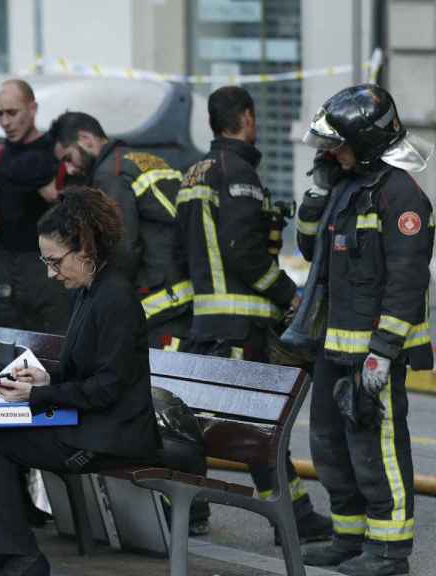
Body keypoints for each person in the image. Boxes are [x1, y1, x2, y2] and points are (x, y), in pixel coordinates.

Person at [0, 186, 160, 576]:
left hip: (110, 436)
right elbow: (91, 373)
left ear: (85, 248)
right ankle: (15, 550)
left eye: (55, 261)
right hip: (89, 423)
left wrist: (38, 393)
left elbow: (107, 388)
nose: (51, 273)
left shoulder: (115, 298)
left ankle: (20, 555)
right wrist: (44, 377)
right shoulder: (91, 291)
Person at [175, 86, 331, 544]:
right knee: (260, 429)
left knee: (220, 425)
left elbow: (180, 255)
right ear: (246, 117)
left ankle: (195, 508)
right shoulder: (237, 171)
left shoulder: (192, 175)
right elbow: (243, 251)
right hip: (241, 326)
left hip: (207, 323)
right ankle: (293, 520)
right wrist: (288, 295)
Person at [295, 84, 431, 576]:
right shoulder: (343, 186)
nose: (332, 152)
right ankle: (348, 537)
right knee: (330, 449)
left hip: (372, 351)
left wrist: (383, 353)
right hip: (332, 345)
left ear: (369, 142)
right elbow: (310, 250)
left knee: (378, 454)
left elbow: (408, 282)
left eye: (339, 145)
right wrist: (316, 190)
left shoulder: (401, 197)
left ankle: (390, 552)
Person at [48, 111, 191, 349]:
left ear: (86, 139)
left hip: (158, 296)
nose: (70, 170)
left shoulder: (110, 175)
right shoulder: (138, 158)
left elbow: (121, 247)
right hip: (182, 287)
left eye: (68, 158)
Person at [0, 79, 68, 334]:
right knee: (3, 344)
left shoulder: (56, 152)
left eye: (12, 112)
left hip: (49, 268)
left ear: (32, 109)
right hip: (4, 267)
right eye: (0, 114)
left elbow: (62, 200)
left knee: (52, 345)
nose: (6, 122)